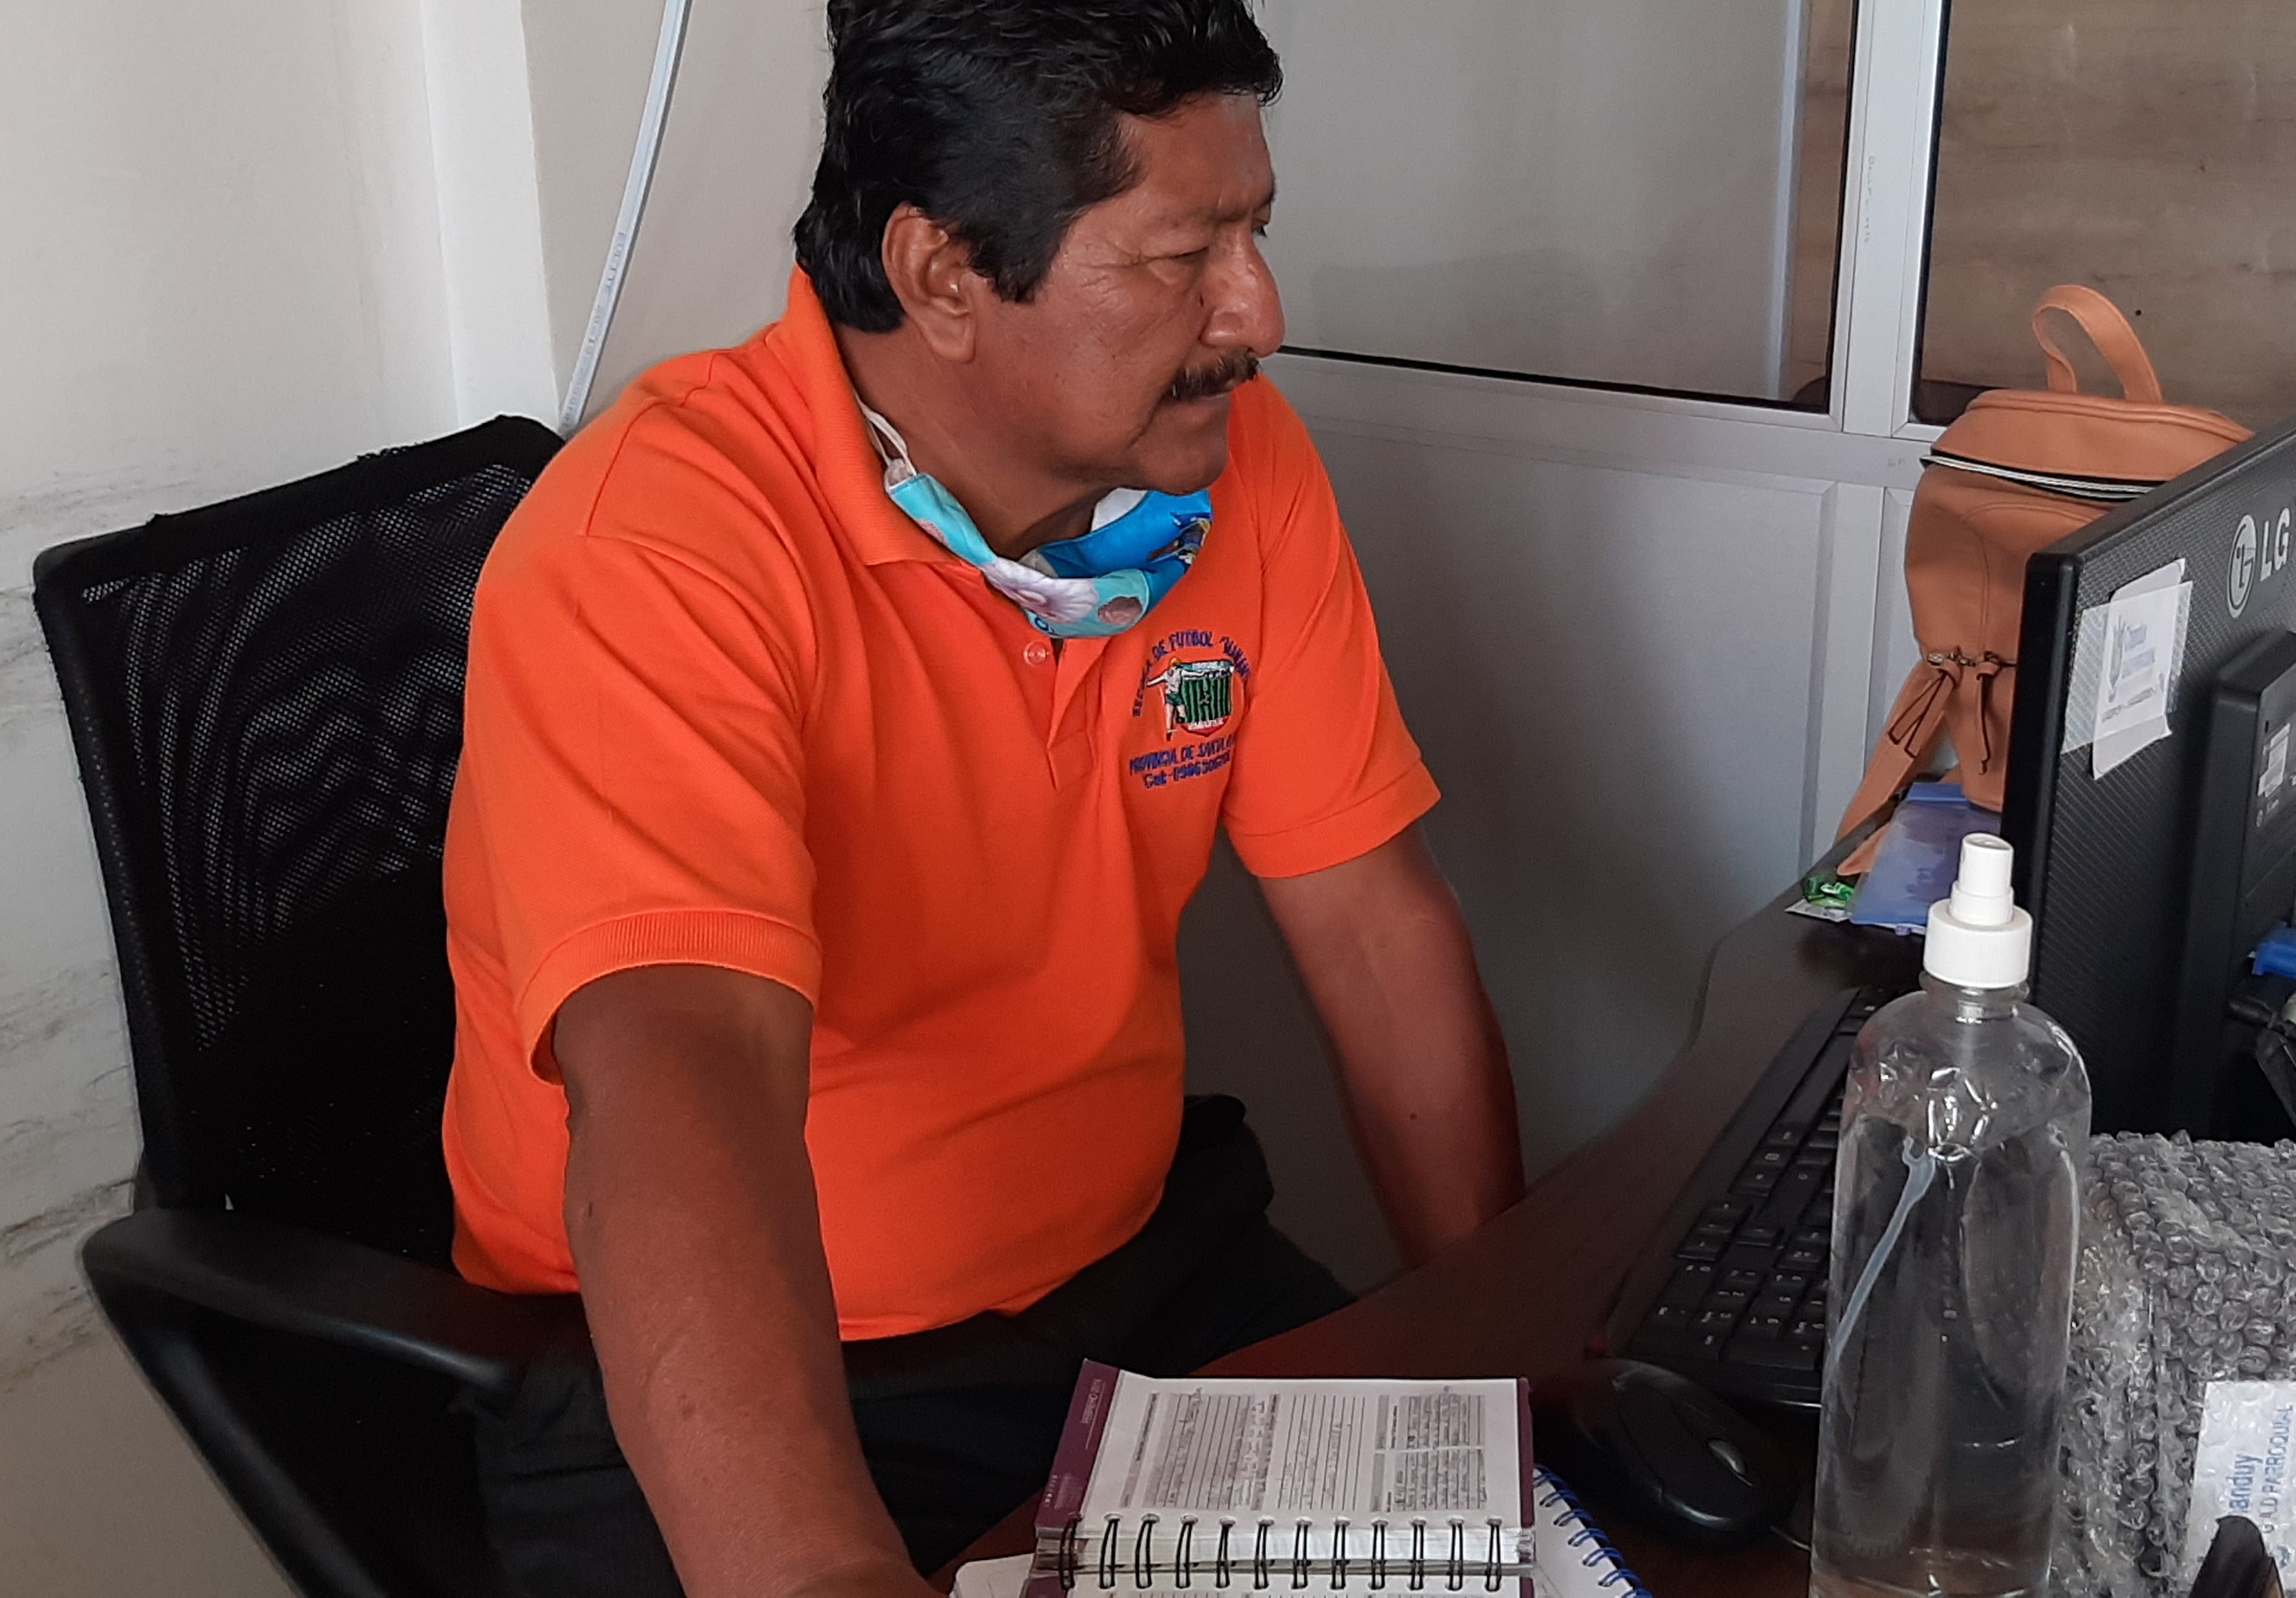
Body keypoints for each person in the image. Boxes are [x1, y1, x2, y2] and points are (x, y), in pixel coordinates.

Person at [434, 5, 1526, 1595]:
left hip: (1140, 1283)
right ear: (945, 272)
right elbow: (685, 1073)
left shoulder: (1233, 467)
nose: (1260, 313)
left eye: (1256, 234)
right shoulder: (657, 549)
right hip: (754, 1379)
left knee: (1539, 1549)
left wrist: (1503, 1358)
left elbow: (1369, 923)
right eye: (1183, 256)